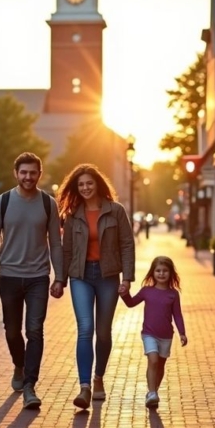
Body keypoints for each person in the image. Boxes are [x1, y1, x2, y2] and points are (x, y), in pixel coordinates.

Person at [0, 152, 65, 410]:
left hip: (38, 278)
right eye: (23, 172)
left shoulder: (48, 203)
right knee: (11, 331)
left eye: (33, 172)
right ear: (16, 173)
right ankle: (19, 365)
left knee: (35, 330)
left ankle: (30, 385)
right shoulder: (2, 202)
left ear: (39, 174)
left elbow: (56, 242)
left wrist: (59, 277)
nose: (28, 177)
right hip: (8, 275)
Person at [58, 164, 135, 409]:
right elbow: (66, 249)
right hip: (80, 276)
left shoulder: (116, 211)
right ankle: (84, 387)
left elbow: (127, 245)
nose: (85, 188)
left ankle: (98, 377)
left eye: (89, 183)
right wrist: (60, 279)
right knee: (85, 328)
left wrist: (127, 278)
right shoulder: (72, 215)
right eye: (80, 185)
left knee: (103, 332)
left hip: (108, 276)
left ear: (98, 184)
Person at [120, 255, 188, 408]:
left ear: (170, 273)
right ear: (152, 273)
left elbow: (177, 314)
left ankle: (154, 391)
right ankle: (152, 392)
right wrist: (124, 294)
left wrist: (182, 333)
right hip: (149, 334)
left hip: (166, 336)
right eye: (158, 270)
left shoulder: (173, 294)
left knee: (161, 365)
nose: (161, 274)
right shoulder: (146, 291)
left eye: (165, 271)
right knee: (153, 360)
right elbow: (131, 303)